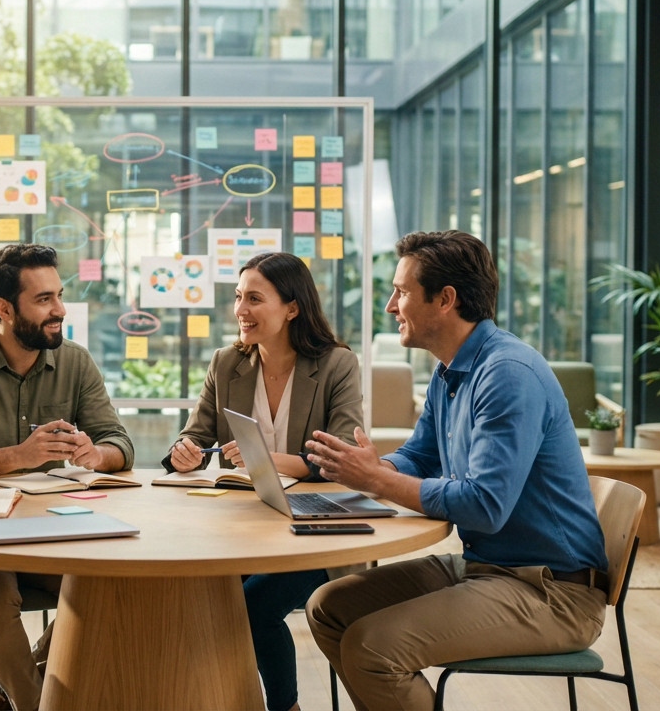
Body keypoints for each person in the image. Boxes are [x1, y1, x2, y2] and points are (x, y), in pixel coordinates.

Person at [302, 230, 609, 711]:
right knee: (328, 608)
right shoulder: (451, 371)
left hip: (551, 591)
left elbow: (485, 507)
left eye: (401, 292)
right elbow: (420, 457)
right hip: (484, 567)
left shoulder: (506, 373)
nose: (390, 305)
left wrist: (378, 480)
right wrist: (372, 467)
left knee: (372, 647)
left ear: (445, 299)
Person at [0, 243, 134, 711]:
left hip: (52, 528)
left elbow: (120, 442)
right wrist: (15, 456)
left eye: (59, 296)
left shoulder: (74, 362)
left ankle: (8, 690)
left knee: (118, 583)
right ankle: (34, 704)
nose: (59, 310)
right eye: (44, 300)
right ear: (3, 308)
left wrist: (96, 455)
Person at [161, 251, 363, 711]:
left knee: (251, 608)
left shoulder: (336, 365)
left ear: (292, 307)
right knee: (196, 599)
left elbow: (343, 456)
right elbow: (196, 432)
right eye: (238, 297)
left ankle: (285, 706)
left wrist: (280, 462)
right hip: (241, 526)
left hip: (314, 530)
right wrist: (185, 453)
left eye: (254, 298)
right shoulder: (226, 363)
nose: (240, 310)